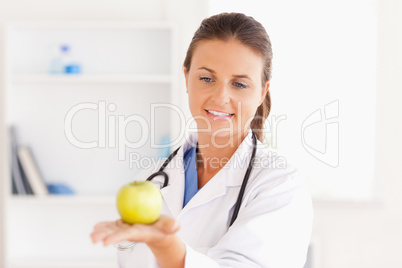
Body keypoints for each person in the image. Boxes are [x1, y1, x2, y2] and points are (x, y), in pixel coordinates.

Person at [91, 12, 313, 268]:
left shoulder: (280, 185)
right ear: (186, 77)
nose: (220, 97)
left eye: (239, 84)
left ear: (262, 92)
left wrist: (167, 247)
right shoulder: (150, 179)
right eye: (207, 78)